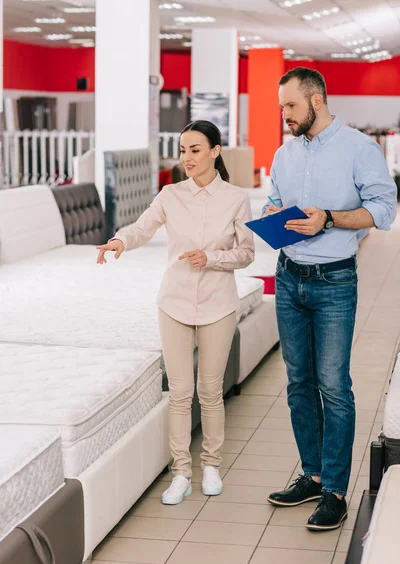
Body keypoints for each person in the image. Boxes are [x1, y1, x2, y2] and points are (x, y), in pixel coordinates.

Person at [263, 67, 397, 530]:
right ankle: (312, 475)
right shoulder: (284, 153)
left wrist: (330, 219)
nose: (284, 115)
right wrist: (272, 215)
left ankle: (336, 490)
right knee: (299, 383)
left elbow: (384, 210)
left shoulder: (359, 148)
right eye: (282, 106)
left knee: (333, 386)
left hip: (334, 282)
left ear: (317, 101)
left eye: (290, 106)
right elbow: (271, 201)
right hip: (287, 278)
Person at [96, 120, 254, 505]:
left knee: (210, 391)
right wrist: (119, 240)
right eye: (183, 150)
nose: (187, 157)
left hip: (218, 304)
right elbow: (142, 228)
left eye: (195, 150)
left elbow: (247, 253)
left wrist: (211, 258)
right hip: (174, 303)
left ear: (215, 151)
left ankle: (212, 465)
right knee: (181, 392)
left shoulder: (236, 197)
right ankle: (181, 472)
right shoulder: (170, 194)